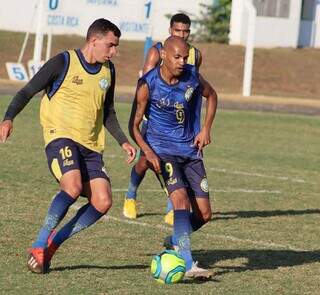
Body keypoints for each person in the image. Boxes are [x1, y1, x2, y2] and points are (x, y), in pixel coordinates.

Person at [0, 18, 136, 274]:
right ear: (94, 41)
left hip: (91, 147)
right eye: (110, 45)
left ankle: (52, 246)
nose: (114, 52)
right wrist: (9, 118)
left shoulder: (109, 71)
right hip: (60, 137)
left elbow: (107, 111)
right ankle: (39, 243)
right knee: (72, 186)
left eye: (116, 46)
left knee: (103, 201)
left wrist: (123, 141)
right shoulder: (63, 62)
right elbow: (27, 91)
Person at [129, 36, 218, 278]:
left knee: (205, 214)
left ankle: (175, 239)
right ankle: (187, 262)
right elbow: (134, 125)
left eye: (185, 58)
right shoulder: (147, 84)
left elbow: (212, 96)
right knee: (180, 201)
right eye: (177, 57)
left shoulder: (192, 76)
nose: (182, 62)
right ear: (164, 56)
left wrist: (206, 129)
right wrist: (148, 153)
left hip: (191, 152)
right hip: (163, 151)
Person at [123, 13, 202, 225]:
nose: (182, 35)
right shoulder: (156, 53)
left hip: (181, 125)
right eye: (178, 31)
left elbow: (193, 89)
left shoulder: (195, 55)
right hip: (155, 119)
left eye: (186, 31)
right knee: (144, 162)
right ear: (170, 31)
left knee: (179, 163)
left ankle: (173, 208)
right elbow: (146, 86)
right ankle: (130, 196)